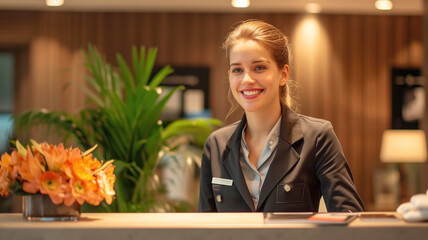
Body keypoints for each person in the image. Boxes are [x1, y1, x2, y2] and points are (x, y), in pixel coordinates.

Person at [198, 19, 365, 212]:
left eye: (259, 67)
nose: (247, 79)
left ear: (283, 74)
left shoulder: (318, 137)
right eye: (237, 70)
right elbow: (205, 226)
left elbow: (350, 216)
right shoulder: (216, 145)